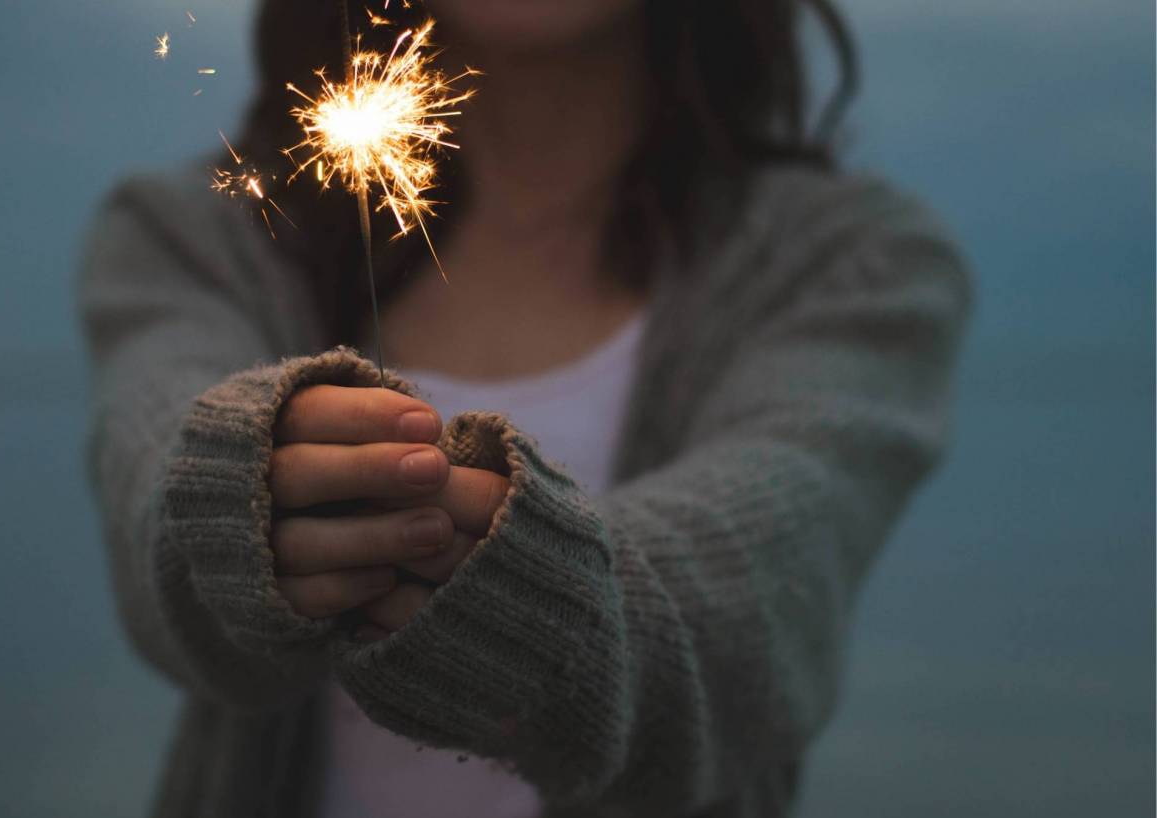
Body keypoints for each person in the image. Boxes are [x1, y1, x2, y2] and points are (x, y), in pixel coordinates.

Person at [76, 0, 972, 815]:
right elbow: (160, 494)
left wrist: (523, 584)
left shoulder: (850, 267)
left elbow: (758, 607)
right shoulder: (201, 237)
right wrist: (240, 498)